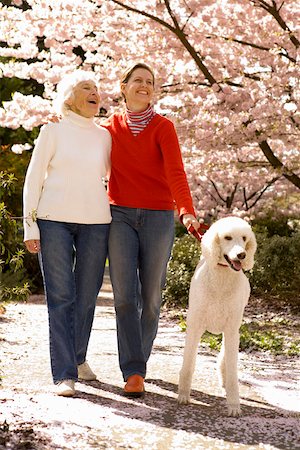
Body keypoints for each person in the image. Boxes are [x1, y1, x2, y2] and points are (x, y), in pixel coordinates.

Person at [103, 62, 200, 397]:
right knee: (124, 296)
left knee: (151, 298)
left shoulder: (164, 127)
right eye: (138, 81)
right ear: (124, 86)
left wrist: (186, 211)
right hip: (120, 216)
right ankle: (133, 370)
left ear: (154, 90)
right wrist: (63, 125)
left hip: (159, 217)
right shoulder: (109, 127)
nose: (144, 85)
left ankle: (138, 362)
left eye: (150, 82)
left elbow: (176, 172)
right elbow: (85, 147)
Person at [23, 71, 112, 397]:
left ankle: (77, 357)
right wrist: (29, 226)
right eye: (86, 88)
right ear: (69, 97)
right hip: (53, 220)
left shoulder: (105, 136)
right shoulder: (52, 130)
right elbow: (33, 180)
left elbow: (116, 176)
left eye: (97, 89)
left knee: (87, 297)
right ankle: (64, 373)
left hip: (96, 222)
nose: (94, 93)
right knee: (61, 298)